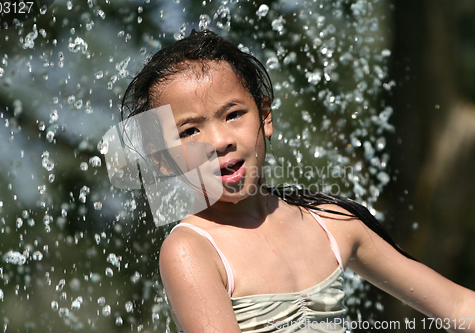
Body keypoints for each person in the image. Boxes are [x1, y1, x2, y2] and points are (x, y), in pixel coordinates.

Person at [121, 30, 475, 332]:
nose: (218, 141)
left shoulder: (330, 222)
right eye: (189, 130)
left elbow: (458, 306)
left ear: (265, 116)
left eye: (233, 114)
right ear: (161, 160)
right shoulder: (192, 251)